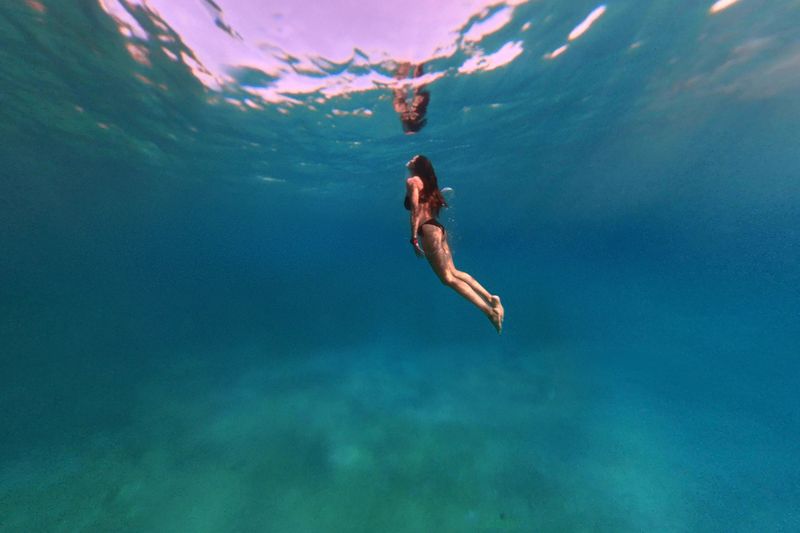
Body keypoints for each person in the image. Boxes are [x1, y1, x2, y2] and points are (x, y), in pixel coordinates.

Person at [404, 155, 504, 333]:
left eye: (414, 159)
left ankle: (489, 312)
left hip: (427, 231)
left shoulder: (413, 181)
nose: (410, 159)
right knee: (454, 271)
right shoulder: (428, 183)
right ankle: (491, 298)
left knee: (447, 279)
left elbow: (415, 210)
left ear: (418, 165)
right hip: (437, 229)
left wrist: (413, 237)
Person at [393, 62, 430, 134]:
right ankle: (418, 63)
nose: (409, 116)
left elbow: (398, 101)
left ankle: (406, 64)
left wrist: (399, 104)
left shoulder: (402, 111)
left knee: (398, 91)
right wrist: (417, 103)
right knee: (417, 89)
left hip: (410, 101)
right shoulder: (420, 113)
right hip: (419, 98)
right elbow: (424, 96)